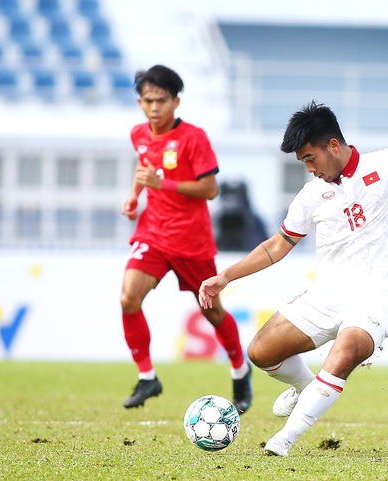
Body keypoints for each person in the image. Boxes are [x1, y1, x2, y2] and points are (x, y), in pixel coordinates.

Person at [198, 100, 388, 456]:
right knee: (261, 351)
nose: (308, 168)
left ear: (332, 146)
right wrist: (225, 276)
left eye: (309, 158)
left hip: (380, 296)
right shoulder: (309, 197)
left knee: (346, 350)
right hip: (328, 294)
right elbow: (277, 246)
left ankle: (284, 439)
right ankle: (307, 388)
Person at [119, 65, 253, 413]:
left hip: (191, 241)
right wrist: (135, 197)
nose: (154, 108)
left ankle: (240, 370)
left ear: (176, 101)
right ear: (140, 102)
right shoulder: (139, 134)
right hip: (153, 233)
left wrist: (161, 184)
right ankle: (147, 377)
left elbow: (210, 189)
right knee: (128, 297)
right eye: (148, 100)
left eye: (161, 100)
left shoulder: (194, 138)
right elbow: (144, 168)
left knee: (212, 312)